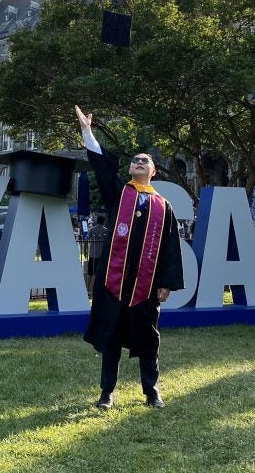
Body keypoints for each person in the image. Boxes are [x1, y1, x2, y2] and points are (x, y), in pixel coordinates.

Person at [75, 105, 185, 410]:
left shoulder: (164, 207)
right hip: (113, 284)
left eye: (144, 160)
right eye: (135, 160)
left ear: (153, 171)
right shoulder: (119, 194)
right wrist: (87, 131)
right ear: (130, 169)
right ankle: (106, 393)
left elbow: (170, 246)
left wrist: (165, 282)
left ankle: (152, 391)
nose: (138, 162)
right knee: (110, 339)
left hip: (145, 289)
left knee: (149, 340)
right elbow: (101, 167)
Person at [85, 215, 109, 294]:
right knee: (97, 273)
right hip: (101, 255)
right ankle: (94, 290)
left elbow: (86, 240)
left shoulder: (92, 229)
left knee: (90, 272)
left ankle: (87, 289)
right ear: (104, 221)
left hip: (92, 254)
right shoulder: (106, 231)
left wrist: (85, 250)